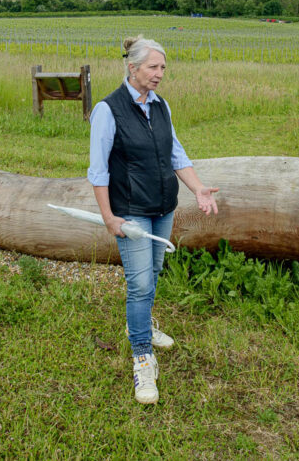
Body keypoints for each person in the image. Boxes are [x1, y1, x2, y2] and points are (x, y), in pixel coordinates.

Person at [87, 35, 219, 404]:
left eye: (163, 68)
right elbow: (98, 172)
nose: (160, 74)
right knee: (140, 284)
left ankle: (139, 325)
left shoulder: (161, 106)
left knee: (154, 273)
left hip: (164, 208)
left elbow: (176, 153)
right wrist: (109, 217)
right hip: (131, 212)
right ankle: (142, 356)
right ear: (133, 68)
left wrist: (198, 189)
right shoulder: (107, 110)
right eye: (153, 67)